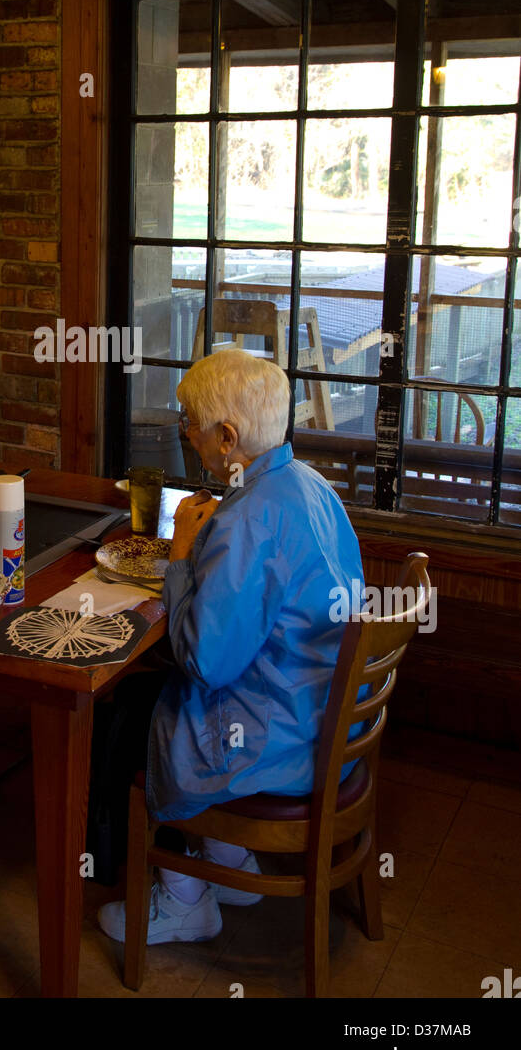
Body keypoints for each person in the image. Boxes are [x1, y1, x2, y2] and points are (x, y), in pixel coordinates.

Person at [98, 347, 364, 945]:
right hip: (325, 721)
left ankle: (186, 897)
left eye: (189, 422)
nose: (185, 434)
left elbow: (204, 660)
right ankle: (233, 863)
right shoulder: (309, 484)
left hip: (280, 744)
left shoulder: (248, 521)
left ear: (226, 436)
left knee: (141, 708)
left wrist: (182, 556)